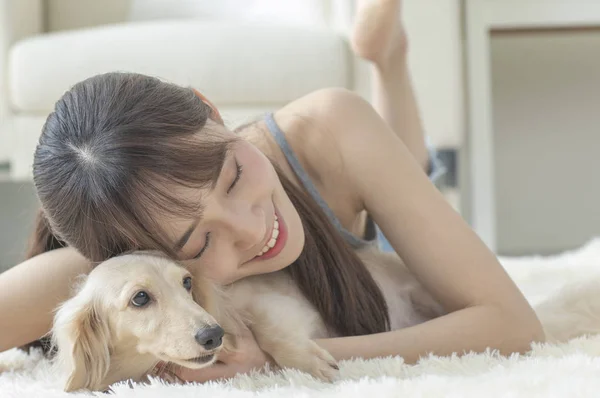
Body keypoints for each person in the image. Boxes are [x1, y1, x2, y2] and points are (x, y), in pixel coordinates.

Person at [0, 0, 544, 383]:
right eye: (199, 241)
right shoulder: (110, 268)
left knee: (404, 172)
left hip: (334, 171)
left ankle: (386, 56)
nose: (253, 228)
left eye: (233, 176)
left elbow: (514, 325)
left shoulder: (332, 127)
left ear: (210, 111)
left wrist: (285, 358)